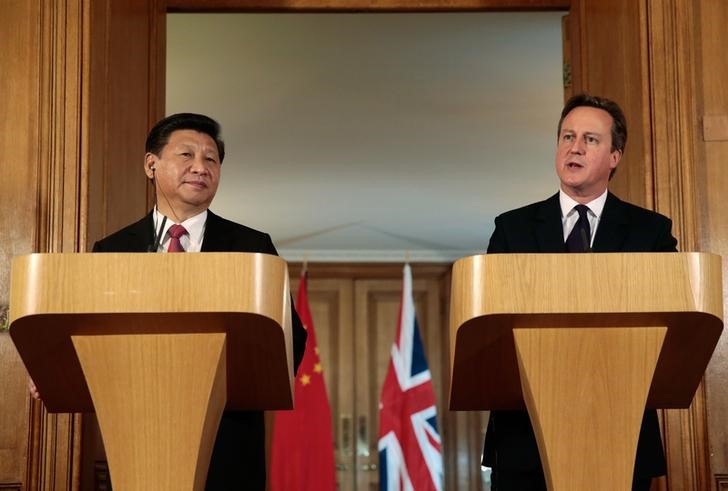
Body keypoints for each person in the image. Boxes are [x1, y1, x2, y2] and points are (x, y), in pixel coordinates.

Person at [31, 113, 307, 490]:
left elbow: (291, 341)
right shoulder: (113, 250)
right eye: (187, 155)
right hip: (136, 438)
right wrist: (58, 370)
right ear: (151, 164)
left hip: (228, 445)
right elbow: (89, 334)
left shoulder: (252, 248)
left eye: (211, 159)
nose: (200, 167)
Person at [483, 94, 675, 491]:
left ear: (614, 156)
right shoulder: (512, 229)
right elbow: (490, 324)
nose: (574, 147)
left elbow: (667, 324)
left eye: (590, 139)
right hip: (525, 438)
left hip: (620, 428)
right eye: (567, 136)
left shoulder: (650, 232)